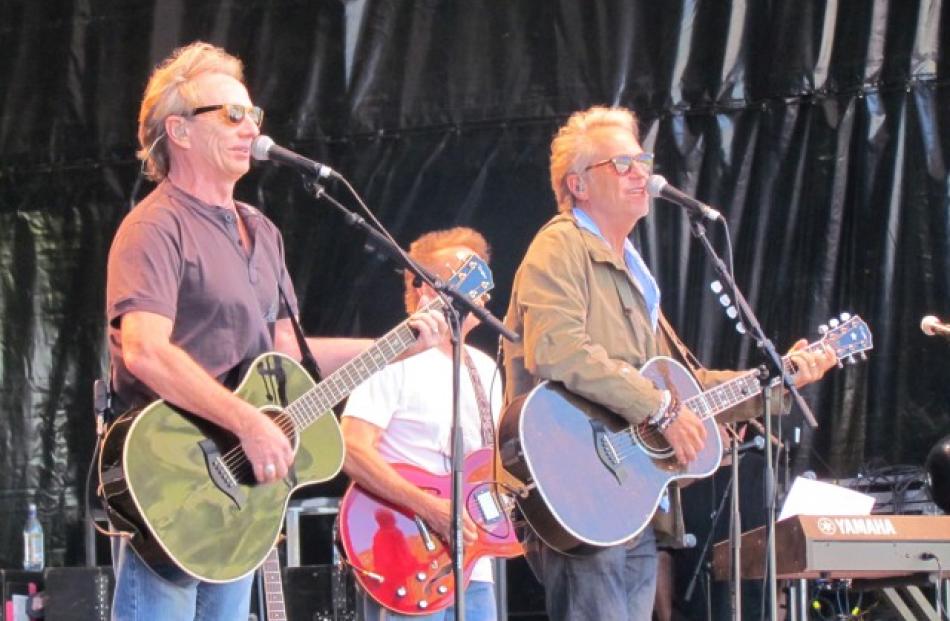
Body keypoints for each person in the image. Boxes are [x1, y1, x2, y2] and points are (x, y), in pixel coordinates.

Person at [105, 41, 445, 621]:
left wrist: (397, 346)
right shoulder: (154, 227)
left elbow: (285, 351)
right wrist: (247, 424)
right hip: (175, 477)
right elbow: (144, 349)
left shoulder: (261, 230)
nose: (251, 127)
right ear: (180, 131)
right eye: (232, 114)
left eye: (254, 116)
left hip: (242, 499)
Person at [501, 105, 837, 621]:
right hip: (575, 482)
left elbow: (681, 385)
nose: (643, 174)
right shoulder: (560, 245)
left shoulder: (633, 269)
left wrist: (778, 378)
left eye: (642, 159)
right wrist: (658, 410)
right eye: (622, 164)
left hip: (628, 495)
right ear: (579, 185)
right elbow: (559, 348)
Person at [341, 227, 503, 621]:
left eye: (482, 282)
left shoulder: (485, 369)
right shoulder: (393, 358)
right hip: (409, 558)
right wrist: (429, 507)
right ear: (426, 291)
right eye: (466, 279)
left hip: (474, 563)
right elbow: (351, 448)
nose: (480, 294)